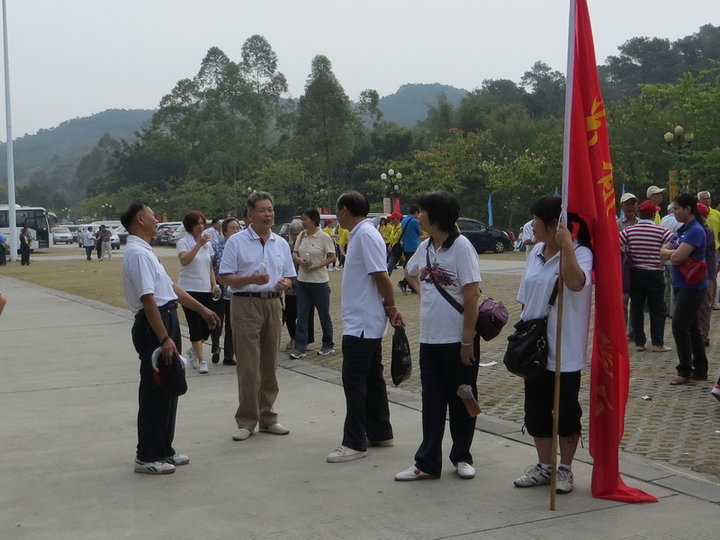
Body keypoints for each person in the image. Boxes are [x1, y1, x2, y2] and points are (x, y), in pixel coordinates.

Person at [121, 202, 220, 475]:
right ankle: (147, 455)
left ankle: (164, 448)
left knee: (170, 384)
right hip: (154, 325)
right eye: (153, 216)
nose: (157, 220)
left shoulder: (146, 250)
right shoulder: (137, 254)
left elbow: (170, 287)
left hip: (167, 317)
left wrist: (202, 309)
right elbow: (148, 298)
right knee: (154, 389)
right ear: (141, 219)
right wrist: (164, 337)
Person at [393, 191, 481, 481]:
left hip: (458, 341)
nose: (418, 216)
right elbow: (409, 271)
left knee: (463, 398)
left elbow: (471, 296)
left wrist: (467, 340)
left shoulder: (462, 247)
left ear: (438, 216)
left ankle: (462, 456)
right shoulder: (427, 246)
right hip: (430, 340)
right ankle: (427, 463)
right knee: (431, 403)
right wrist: (425, 293)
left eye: (423, 212)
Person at [512, 195, 593, 495]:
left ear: (553, 223)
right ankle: (544, 466)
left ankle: (566, 469)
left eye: (535, 219)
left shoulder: (581, 253)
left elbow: (576, 283)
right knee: (536, 410)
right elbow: (524, 297)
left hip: (565, 347)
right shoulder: (534, 254)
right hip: (535, 348)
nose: (531, 225)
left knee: (566, 412)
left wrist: (567, 245)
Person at [327, 190, 404, 463]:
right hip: (363, 320)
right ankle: (380, 430)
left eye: (338, 211)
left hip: (362, 323)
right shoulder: (362, 234)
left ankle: (354, 441)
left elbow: (381, 276)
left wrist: (392, 307)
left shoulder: (365, 235)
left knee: (354, 381)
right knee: (371, 377)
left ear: (345, 209)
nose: (337, 217)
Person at [218, 191, 295, 442]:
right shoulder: (237, 242)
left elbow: (289, 275)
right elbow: (225, 277)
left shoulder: (280, 243)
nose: (268, 214)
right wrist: (251, 279)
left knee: (270, 364)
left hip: (273, 304)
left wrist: (285, 282)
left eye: (270, 209)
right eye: (262, 210)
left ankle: (268, 417)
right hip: (245, 305)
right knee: (249, 366)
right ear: (250, 215)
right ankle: (247, 421)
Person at [660, 193, 708, 385]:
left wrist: (669, 253)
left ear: (688, 209)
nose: (674, 212)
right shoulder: (682, 229)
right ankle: (700, 369)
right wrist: (670, 253)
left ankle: (684, 370)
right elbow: (668, 251)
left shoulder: (696, 230)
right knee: (692, 328)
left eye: (677, 208)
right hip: (681, 284)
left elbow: (677, 257)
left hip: (693, 285)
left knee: (679, 325)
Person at [620, 200, 676, 352]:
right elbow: (675, 241)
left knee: (636, 307)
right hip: (655, 273)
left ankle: (639, 342)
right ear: (653, 214)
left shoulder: (629, 231)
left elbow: (618, 245)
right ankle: (657, 343)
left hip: (635, 273)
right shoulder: (662, 231)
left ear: (639, 212)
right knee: (657, 308)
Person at [290, 208, 336, 359]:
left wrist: (317, 266)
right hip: (303, 281)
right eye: (302, 219)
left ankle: (328, 344)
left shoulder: (324, 237)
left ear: (314, 220)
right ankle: (300, 347)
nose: (303, 222)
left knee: (323, 314)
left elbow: (332, 257)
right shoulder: (302, 235)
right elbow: (295, 252)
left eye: (305, 219)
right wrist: (299, 260)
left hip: (319, 282)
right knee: (302, 314)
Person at [177, 211, 219, 375]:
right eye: (197, 224)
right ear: (190, 226)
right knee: (194, 325)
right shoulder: (183, 242)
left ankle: (194, 350)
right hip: (188, 290)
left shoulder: (207, 244)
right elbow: (185, 260)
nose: (201, 227)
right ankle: (202, 361)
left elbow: (209, 266)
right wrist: (198, 245)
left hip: (205, 289)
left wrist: (214, 284)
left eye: (202, 223)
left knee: (208, 325)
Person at [210, 217, 241, 366]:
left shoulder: (241, 246)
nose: (236, 231)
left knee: (232, 324)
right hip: (219, 289)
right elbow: (210, 266)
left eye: (237, 228)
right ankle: (215, 346)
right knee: (218, 321)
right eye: (232, 228)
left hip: (234, 291)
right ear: (224, 232)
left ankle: (229, 356)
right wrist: (214, 284)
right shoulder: (216, 247)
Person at [696, 203, 716, 347]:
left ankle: (703, 336)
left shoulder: (706, 231)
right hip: (698, 274)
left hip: (706, 274)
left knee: (704, 306)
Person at [397, 205, 422, 293]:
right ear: (416, 212)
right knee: (414, 267)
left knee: (410, 266)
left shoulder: (404, 220)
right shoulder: (415, 221)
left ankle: (411, 287)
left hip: (406, 247)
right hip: (414, 245)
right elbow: (420, 232)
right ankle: (404, 282)